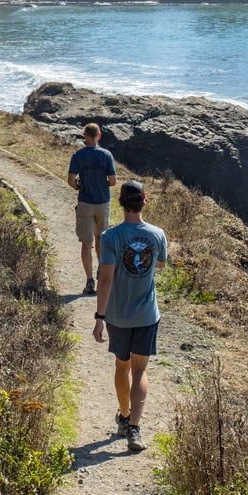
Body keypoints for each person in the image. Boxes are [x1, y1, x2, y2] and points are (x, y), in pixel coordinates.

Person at [92, 180, 168, 453]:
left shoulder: (110, 237)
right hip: (146, 314)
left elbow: (105, 278)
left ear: (121, 203)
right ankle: (135, 427)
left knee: (122, 366)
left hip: (118, 315)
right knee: (140, 370)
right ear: (144, 200)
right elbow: (160, 264)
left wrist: (99, 316)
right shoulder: (158, 234)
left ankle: (124, 417)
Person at [67, 122, 116, 294]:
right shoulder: (106, 155)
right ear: (99, 135)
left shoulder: (78, 155)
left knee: (86, 244)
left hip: (85, 203)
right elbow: (113, 181)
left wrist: (78, 187)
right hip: (102, 203)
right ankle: (101, 271)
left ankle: (89, 281)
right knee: (101, 239)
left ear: (85, 136)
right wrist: (102, 183)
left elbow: (71, 180)